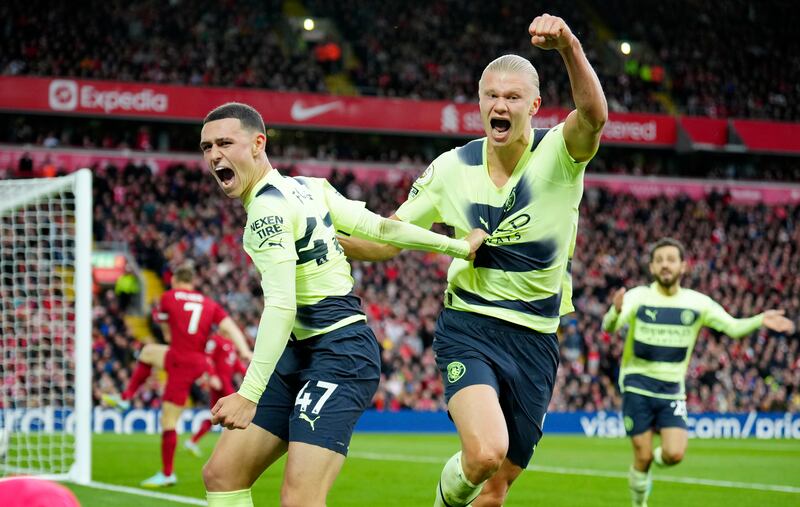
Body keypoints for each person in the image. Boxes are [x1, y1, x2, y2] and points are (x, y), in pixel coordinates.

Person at [339, 13, 608, 507]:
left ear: (535, 105)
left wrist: (570, 45)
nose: (500, 105)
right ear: (480, 103)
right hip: (470, 326)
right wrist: (326, 237)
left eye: (512, 97)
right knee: (485, 453)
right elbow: (389, 238)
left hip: (537, 338)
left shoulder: (561, 153)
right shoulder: (450, 167)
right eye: (491, 96)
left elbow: (593, 116)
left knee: (495, 488)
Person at [199, 101, 487, 507]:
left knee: (300, 499)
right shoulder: (308, 187)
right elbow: (383, 227)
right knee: (223, 473)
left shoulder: (266, 212)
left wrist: (248, 393)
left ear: (258, 143)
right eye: (207, 147)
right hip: (302, 351)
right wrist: (457, 245)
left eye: (225, 143)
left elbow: (282, 306)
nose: (214, 155)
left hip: (339, 353)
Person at [602, 237, 795, 507]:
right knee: (642, 458)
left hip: (672, 390)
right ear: (652, 267)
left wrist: (760, 319)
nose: (665, 265)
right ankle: (639, 504)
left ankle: (650, 467)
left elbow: (732, 327)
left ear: (683, 266)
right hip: (637, 386)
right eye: (659, 261)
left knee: (674, 454)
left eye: (671, 260)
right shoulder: (638, 297)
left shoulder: (697, 303)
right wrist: (614, 312)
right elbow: (610, 327)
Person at [103, 262, 252, 487]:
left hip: (181, 360)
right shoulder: (208, 303)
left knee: (168, 420)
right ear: (192, 282)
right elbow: (230, 327)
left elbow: (166, 332)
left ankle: (167, 473)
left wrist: (175, 336)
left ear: (174, 280)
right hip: (195, 359)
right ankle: (125, 399)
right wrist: (245, 351)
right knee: (148, 352)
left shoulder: (168, 297)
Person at [184, 334, 248, 456]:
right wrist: (212, 375)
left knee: (216, 416)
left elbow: (235, 364)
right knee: (236, 410)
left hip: (226, 382)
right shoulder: (215, 340)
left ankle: (192, 441)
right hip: (220, 382)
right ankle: (237, 447)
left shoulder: (230, 344)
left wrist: (247, 374)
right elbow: (207, 358)